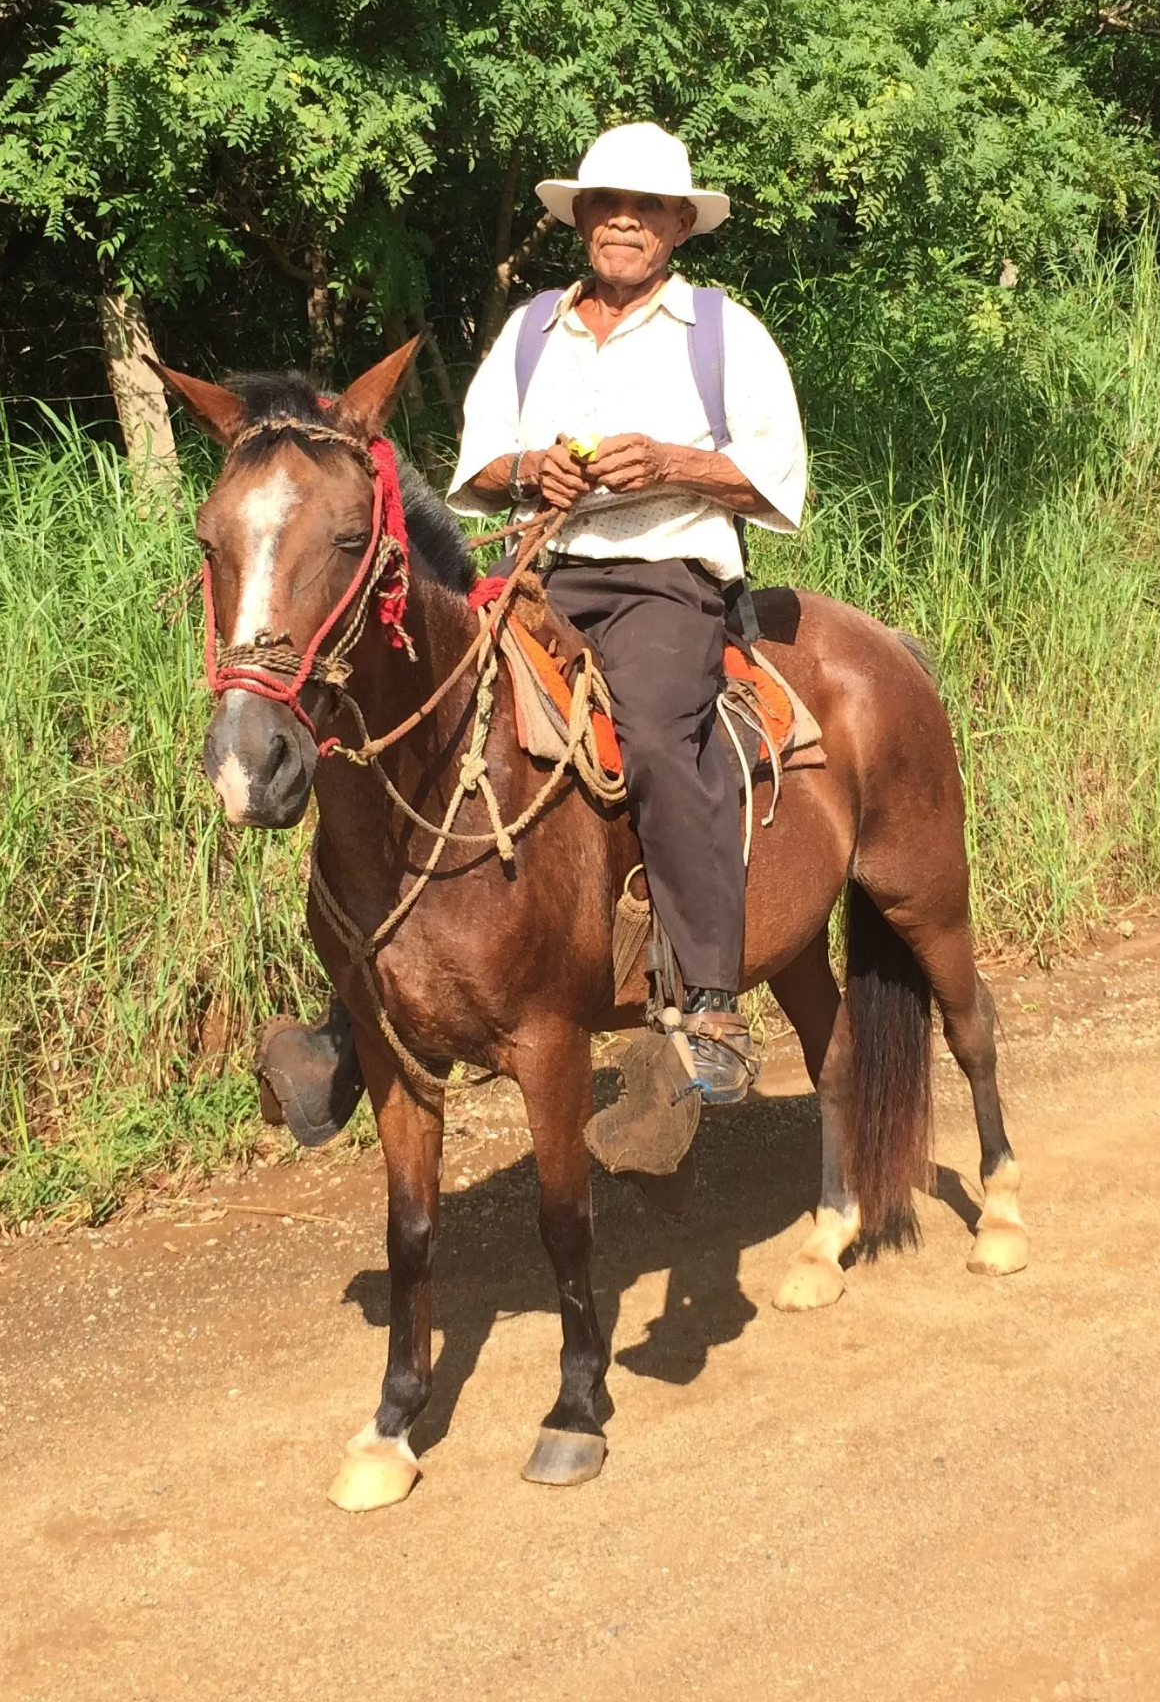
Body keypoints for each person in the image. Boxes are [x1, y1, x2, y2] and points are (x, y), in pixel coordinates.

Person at [256, 122, 806, 1141]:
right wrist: (535, 470)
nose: (624, 222)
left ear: (680, 226)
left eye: (646, 208)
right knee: (415, 732)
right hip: (543, 576)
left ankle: (714, 1005)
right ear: (583, 220)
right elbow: (479, 471)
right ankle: (354, 1014)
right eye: (606, 205)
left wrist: (672, 465)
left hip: (666, 579)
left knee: (654, 737)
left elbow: (777, 479)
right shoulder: (533, 333)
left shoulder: (724, 334)